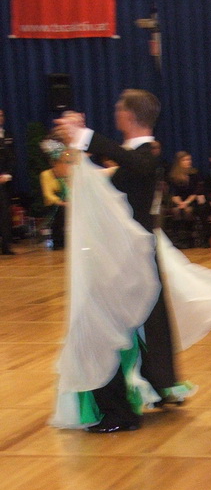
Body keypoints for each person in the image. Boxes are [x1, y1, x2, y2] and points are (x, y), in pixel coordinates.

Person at [52, 90, 195, 432]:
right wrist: (70, 145)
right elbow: (84, 177)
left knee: (109, 329)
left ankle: (121, 412)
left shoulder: (146, 155)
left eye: (118, 108)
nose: (115, 112)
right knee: (138, 328)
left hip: (126, 262)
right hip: (120, 259)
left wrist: (85, 137)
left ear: (128, 115)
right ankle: (153, 388)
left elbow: (136, 167)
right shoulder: (129, 157)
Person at [39, 138, 72, 250]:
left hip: (65, 201)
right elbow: (48, 194)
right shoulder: (45, 174)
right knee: (60, 211)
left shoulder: (65, 175)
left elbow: (69, 190)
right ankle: (58, 240)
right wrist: (61, 202)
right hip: (52, 203)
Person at [168, 151, 202, 248]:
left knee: (188, 211)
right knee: (176, 211)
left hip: (191, 200)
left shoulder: (194, 174)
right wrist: (180, 203)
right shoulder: (173, 176)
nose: (188, 162)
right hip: (178, 201)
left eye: (189, 159)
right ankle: (178, 238)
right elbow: (174, 193)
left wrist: (186, 202)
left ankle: (189, 237)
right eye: (185, 160)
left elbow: (195, 192)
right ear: (178, 162)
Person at [0, 108, 15, 255]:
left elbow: (11, 159)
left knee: (4, 214)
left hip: (3, 182)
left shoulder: (8, 135)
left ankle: (6, 245)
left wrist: (7, 175)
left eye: (1, 115)